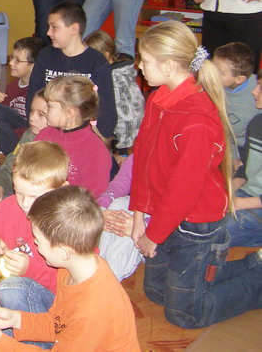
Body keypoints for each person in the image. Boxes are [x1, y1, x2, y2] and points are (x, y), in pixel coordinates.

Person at [131, 21, 262, 329]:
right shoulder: (159, 99)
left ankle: (256, 280)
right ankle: (246, 265)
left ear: (168, 65)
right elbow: (143, 160)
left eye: (145, 60)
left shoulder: (197, 118)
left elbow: (184, 190)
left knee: (185, 314)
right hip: (167, 214)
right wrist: (138, 215)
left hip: (197, 224)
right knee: (156, 292)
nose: (139, 66)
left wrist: (153, 235)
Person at [0, 186, 140, 351]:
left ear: (63, 252)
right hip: (69, 342)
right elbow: (58, 323)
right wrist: (15, 319)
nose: (34, 243)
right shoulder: (71, 268)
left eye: (38, 240)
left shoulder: (92, 310)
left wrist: (0, 342)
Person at [0, 141, 70, 352]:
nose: (25, 203)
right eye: (19, 193)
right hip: (13, 310)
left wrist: (30, 269)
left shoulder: (70, 222)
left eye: (35, 196)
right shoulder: (4, 212)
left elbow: (75, 286)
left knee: (13, 288)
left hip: (56, 314)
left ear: (62, 190)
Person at [25, 1, 116, 140]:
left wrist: (99, 140)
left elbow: (106, 109)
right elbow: (33, 96)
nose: (48, 32)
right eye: (49, 27)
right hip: (47, 130)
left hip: (83, 136)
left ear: (74, 28)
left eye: (54, 27)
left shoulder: (97, 61)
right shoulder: (45, 56)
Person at [37, 75, 111, 198]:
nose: (44, 110)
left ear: (70, 113)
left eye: (49, 105)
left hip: (71, 206)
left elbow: (91, 194)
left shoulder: (95, 149)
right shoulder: (45, 134)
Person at [84, 30, 144, 154]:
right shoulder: (106, 74)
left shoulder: (116, 81)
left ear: (105, 55)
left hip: (121, 143)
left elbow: (126, 117)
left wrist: (123, 150)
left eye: (91, 56)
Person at [0, 89, 49, 209]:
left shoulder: (61, 142)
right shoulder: (29, 135)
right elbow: (11, 164)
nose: (32, 118)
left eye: (41, 114)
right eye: (32, 110)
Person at [0, 37, 45, 155]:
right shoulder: (12, 86)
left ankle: (16, 156)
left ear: (34, 66)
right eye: (12, 58)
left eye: (17, 60)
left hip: (31, 138)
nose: (11, 63)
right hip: (15, 138)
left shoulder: (41, 91)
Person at [226, 71, 262, 247]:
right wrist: (228, 191)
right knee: (198, 214)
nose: (254, 91)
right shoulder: (256, 123)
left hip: (255, 203)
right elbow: (245, 169)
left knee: (215, 231)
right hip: (247, 194)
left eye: (260, 87)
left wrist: (239, 203)